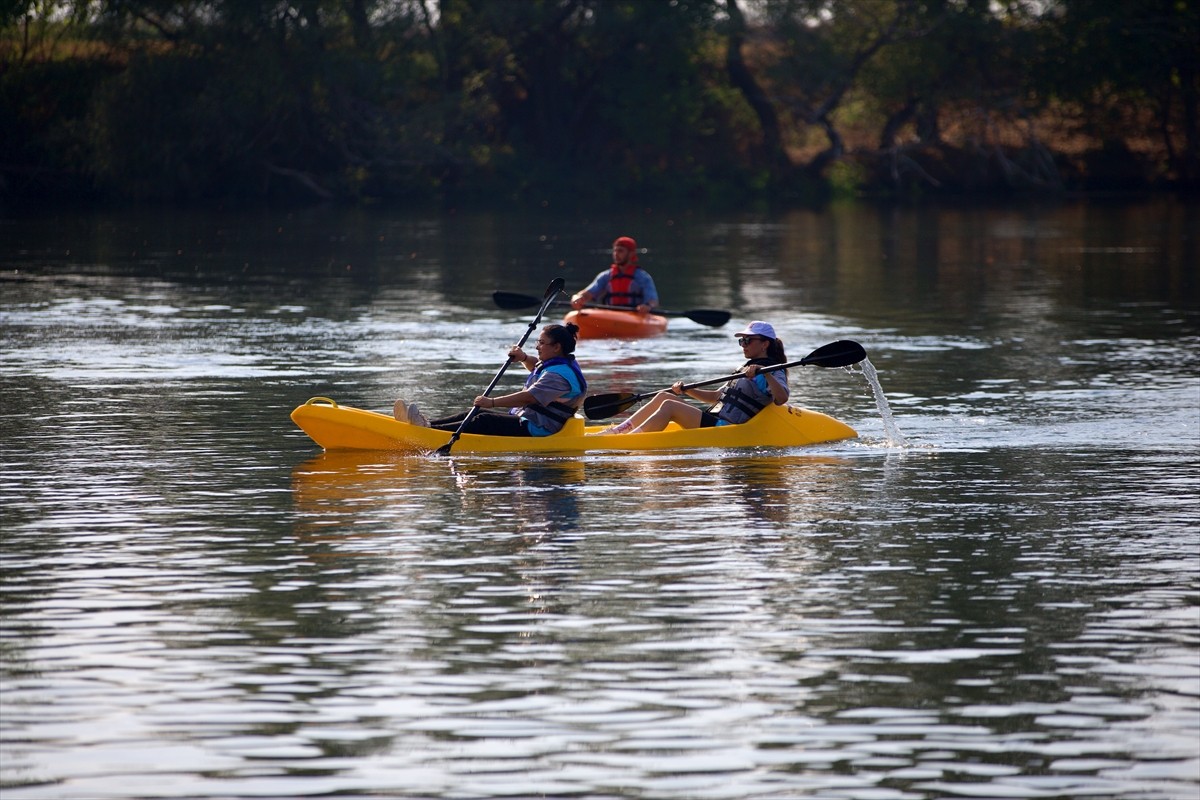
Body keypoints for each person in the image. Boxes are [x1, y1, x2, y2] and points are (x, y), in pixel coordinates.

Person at [592, 321, 789, 435]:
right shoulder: (744, 368)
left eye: (748, 340)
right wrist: (687, 390)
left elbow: (782, 398)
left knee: (670, 407)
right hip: (715, 419)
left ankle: (628, 443)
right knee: (663, 396)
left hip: (726, 429)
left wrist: (768, 373)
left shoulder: (773, 371)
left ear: (765, 344)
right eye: (741, 340)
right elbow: (715, 397)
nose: (743, 344)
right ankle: (618, 431)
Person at [394, 323, 587, 437]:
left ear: (557, 347)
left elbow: (529, 397)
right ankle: (428, 426)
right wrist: (524, 358)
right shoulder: (558, 364)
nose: (537, 346)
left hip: (540, 428)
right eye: (538, 342)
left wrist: (492, 402)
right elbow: (536, 367)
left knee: (484, 419)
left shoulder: (559, 376)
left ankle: (427, 432)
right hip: (530, 419)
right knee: (471, 412)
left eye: (541, 343)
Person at [570, 236, 659, 314]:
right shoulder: (605, 276)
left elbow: (653, 301)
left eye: (620, 251)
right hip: (611, 316)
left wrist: (647, 306)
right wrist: (577, 297)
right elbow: (587, 294)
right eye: (615, 250)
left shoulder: (643, 277)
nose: (616, 254)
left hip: (634, 316)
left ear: (631, 253)